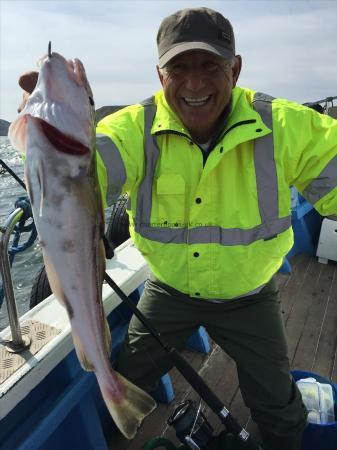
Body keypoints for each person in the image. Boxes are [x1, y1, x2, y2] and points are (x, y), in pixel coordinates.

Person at [18, 7, 337, 450]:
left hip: (249, 295)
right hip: (168, 291)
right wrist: (49, 136)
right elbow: (83, 176)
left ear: (236, 68)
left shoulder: (284, 125)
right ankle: (116, 426)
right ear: (159, 73)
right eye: (178, 67)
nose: (194, 82)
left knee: (277, 402)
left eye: (210, 65)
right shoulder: (133, 128)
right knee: (128, 372)